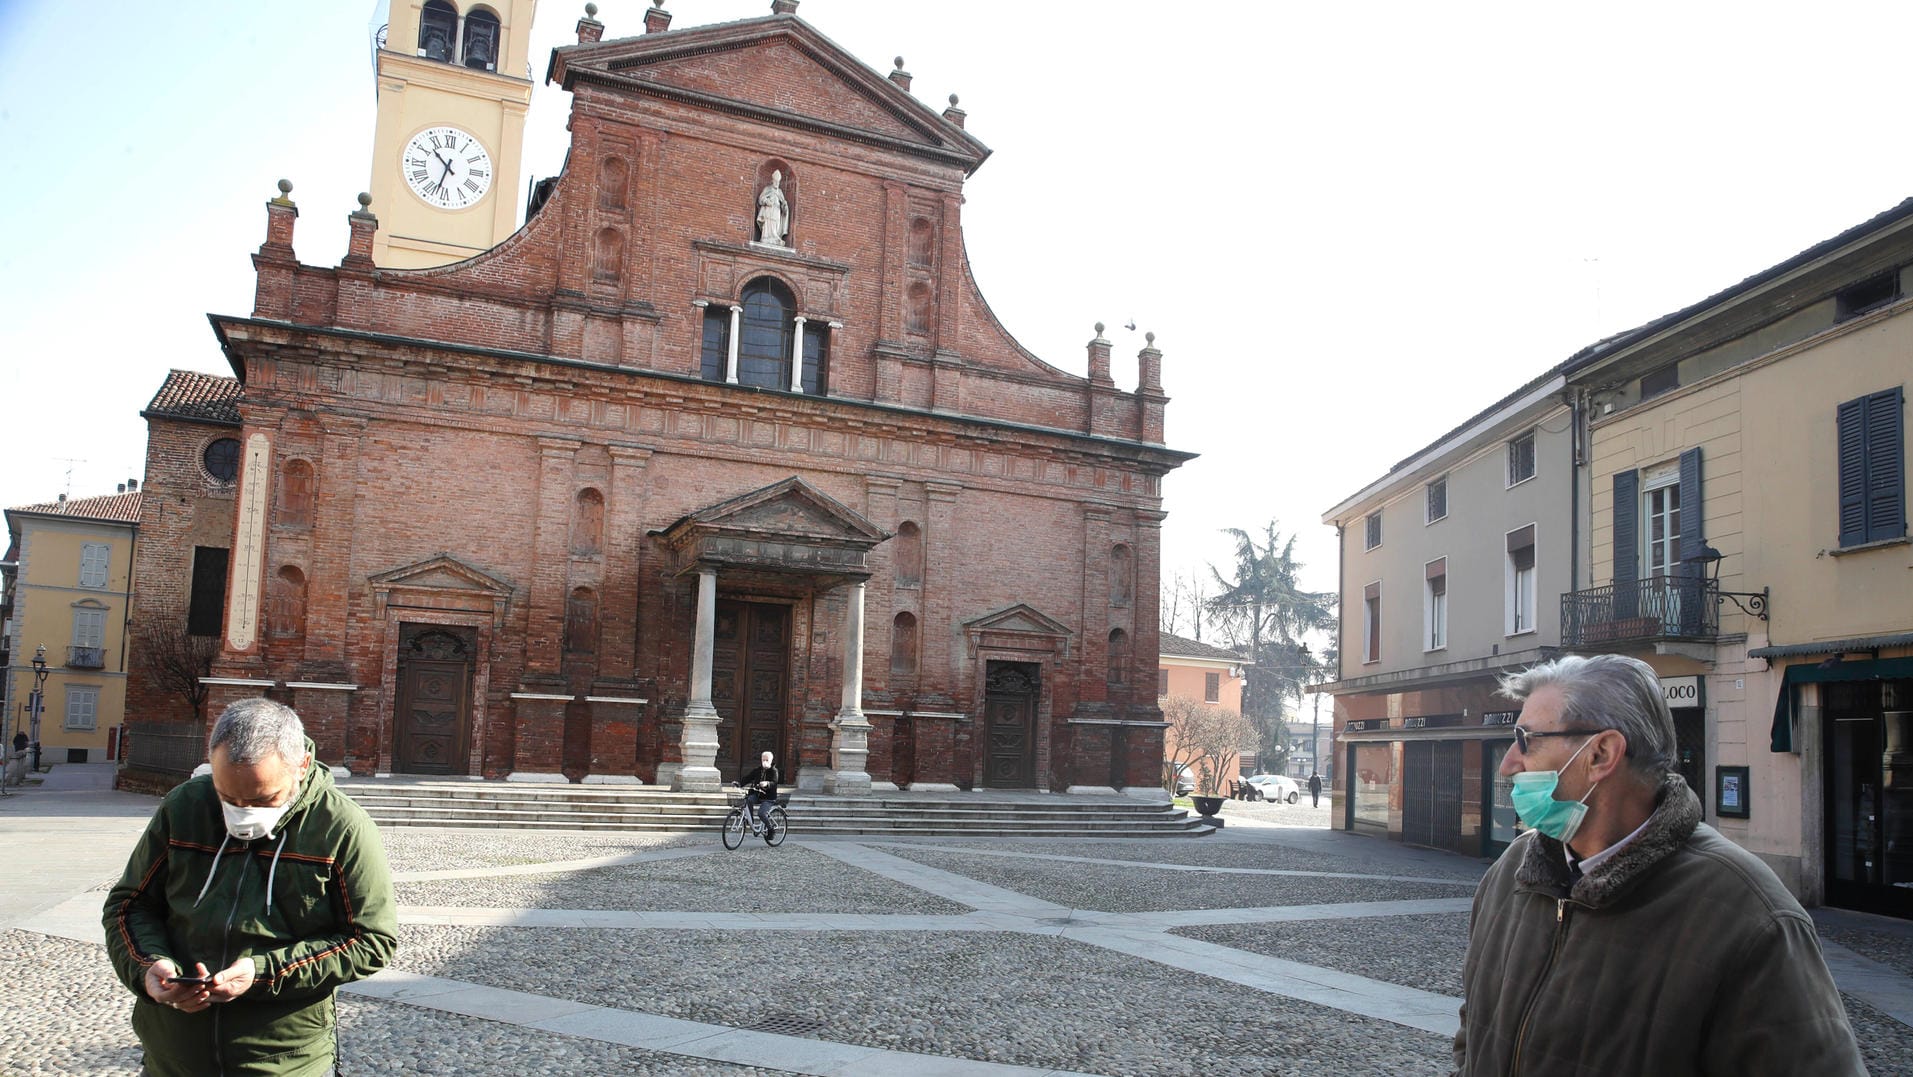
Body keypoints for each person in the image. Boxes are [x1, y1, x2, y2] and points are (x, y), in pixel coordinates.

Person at [1452, 654, 1864, 1076]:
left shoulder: (1751, 917)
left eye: (1527, 740)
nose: (1507, 764)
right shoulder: (1512, 871)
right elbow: (1474, 1032)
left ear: (1601, 754)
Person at [103, 698, 397, 1077]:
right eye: (228, 797)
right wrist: (147, 967)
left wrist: (262, 973)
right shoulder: (185, 807)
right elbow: (130, 906)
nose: (242, 811)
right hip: (172, 1057)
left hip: (285, 1062)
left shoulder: (341, 827)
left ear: (301, 766)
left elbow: (371, 940)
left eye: (262, 799)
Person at [738, 750, 781, 835]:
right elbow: (748, 778)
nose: (764, 762)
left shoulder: (774, 771)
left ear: (771, 761)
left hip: (769, 797)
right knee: (749, 800)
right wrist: (739, 784)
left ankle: (770, 829)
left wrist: (767, 783)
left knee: (761, 813)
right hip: (758, 795)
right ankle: (751, 822)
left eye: (767, 760)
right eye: (763, 760)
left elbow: (774, 782)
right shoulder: (758, 770)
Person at [755, 170, 789, 245]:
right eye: (775, 181)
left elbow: (783, 203)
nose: (777, 183)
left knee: (776, 223)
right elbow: (761, 198)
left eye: (778, 182)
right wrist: (767, 201)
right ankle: (766, 237)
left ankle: (775, 236)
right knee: (768, 223)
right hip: (768, 209)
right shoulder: (768, 189)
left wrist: (784, 205)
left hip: (777, 210)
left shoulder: (780, 192)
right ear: (772, 181)